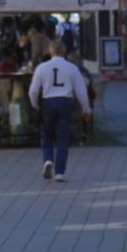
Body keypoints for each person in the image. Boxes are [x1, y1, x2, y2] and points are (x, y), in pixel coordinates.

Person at [29, 41, 92, 183]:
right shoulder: (72, 68)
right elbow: (81, 91)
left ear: (50, 51)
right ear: (64, 52)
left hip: (48, 102)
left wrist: (35, 104)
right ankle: (60, 173)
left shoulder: (42, 68)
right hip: (65, 102)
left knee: (47, 135)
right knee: (63, 138)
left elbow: (33, 90)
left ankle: (48, 160)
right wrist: (86, 108)